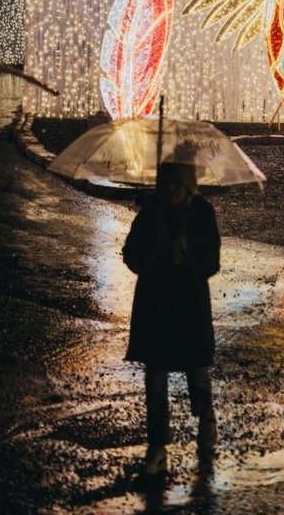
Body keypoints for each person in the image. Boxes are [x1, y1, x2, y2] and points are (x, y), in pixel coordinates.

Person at [122, 157, 221, 475]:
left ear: (189, 186)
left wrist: (186, 256)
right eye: (167, 185)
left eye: (178, 185)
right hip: (156, 304)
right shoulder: (152, 212)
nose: (172, 191)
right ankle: (157, 445)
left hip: (189, 305)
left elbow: (211, 261)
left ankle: (206, 423)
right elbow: (131, 251)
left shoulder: (201, 214)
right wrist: (149, 260)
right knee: (155, 376)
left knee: (196, 372)